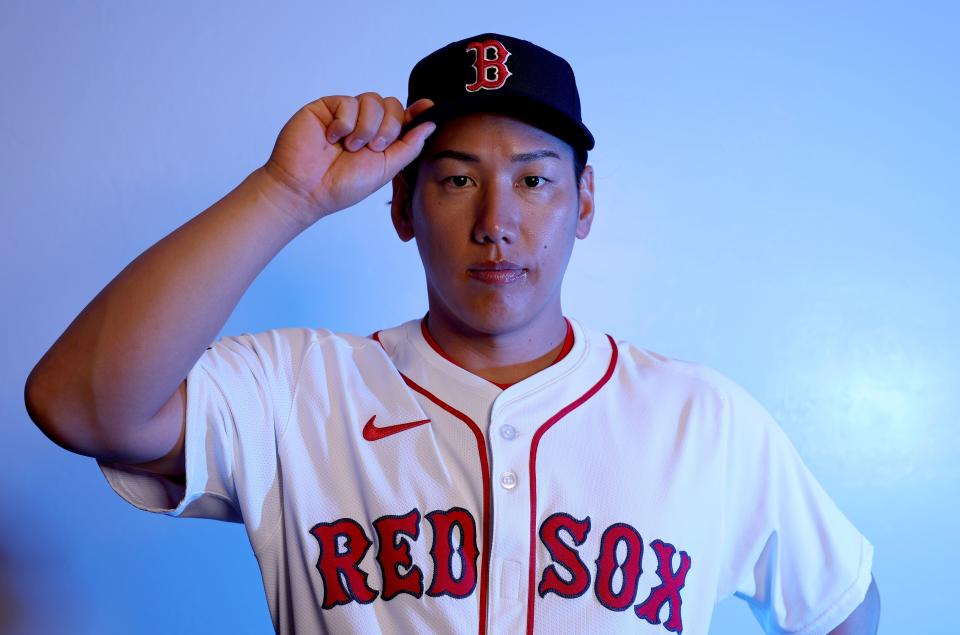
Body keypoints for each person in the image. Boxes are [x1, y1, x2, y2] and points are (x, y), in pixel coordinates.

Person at [25, 33, 879, 634]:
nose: (497, 221)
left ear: (585, 201)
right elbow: (77, 405)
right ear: (400, 205)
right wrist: (286, 193)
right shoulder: (300, 390)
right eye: (457, 178)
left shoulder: (704, 419)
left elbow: (841, 603)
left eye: (536, 178)